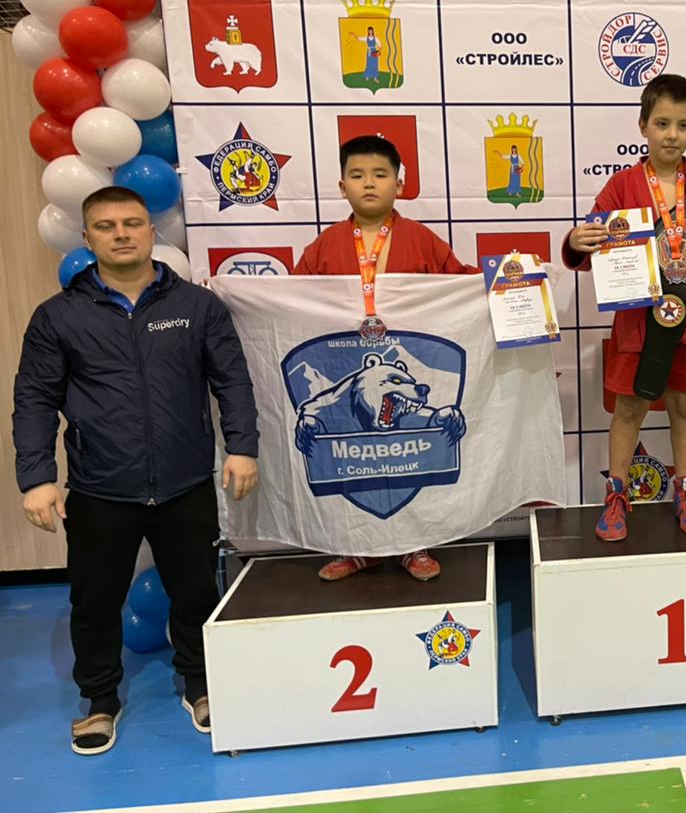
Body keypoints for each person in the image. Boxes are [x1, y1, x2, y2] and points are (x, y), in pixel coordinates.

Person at [13, 186, 260, 755]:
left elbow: (232, 381)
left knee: (196, 594)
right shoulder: (58, 316)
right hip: (100, 489)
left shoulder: (197, 307)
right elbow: (34, 400)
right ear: (87, 238)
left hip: (185, 483)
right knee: (94, 602)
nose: (121, 234)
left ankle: (201, 685)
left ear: (152, 231)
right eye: (106, 226)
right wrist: (37, 477)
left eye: (132, 222)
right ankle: (100, 701)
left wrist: (242, 447)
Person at [563, 73, 686, 541]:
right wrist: (577, 240)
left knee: (683, 406)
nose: (672, 135)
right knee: (629, 408)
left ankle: (685, 491)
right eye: (662, 124)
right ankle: (616, 494)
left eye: (683, 125)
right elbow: (590, 246)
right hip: (637, 319)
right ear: (643, 126)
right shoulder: (623, 185)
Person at [295, 134, 479, 581]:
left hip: (404, 365)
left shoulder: (421, 239)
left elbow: (462, 284)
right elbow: (291, 298)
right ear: (342, 187)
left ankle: (414, 545)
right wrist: (235, 294)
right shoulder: (325, 245)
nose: (369, 183)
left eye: (380, 175)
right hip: (345, 369)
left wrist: (513, 281)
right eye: (357, 175)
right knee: (354, 463)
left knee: (405, 463)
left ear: (398, 185)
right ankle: (355, 548)